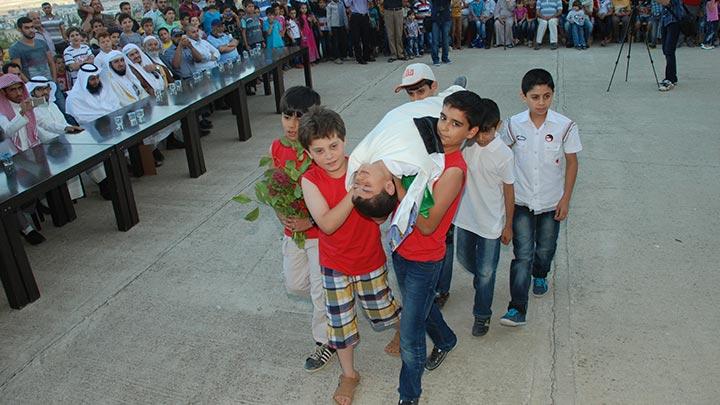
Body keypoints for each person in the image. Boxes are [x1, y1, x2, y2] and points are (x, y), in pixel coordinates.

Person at [380, 91, 480, 405]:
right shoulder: (425, 149)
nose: (444, 128)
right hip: (400, 248)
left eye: (455, 124)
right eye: (443, 118)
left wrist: (398, 185)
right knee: (419, 306)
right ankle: (447, 339)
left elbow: (426, 224)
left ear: (471, 132)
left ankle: (409, 396)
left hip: (425, 258)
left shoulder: (453, 170)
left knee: (410, 337)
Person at [300, 106, 401, 405]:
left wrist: (377, 198)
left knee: (382, 310)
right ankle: (349, 374)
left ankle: (402, 330)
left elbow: (381, 216)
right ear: (308, 153)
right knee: (340, 324)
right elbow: (327, 224)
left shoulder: (363, 168)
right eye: (319, 150)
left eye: (334, 146)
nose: (329, 155)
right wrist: (354, 192)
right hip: (334, 266)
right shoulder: (311, 181)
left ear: (345, 141)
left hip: (369, 259)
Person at [497, 68, 581, 326]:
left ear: (553, 94)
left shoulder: (565, 126)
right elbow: (500, 153)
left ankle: (541, 273)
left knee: (545, 249)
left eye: (546, 96)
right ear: (523, 97)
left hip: (550, 202)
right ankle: (517, 308)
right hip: (521, 201)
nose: (541, 103)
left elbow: (572, 162)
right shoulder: (513, 125)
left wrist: (565, 198)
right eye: (535, 97)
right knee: (522, 254)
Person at [268, 86, 333, 373]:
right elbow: (275, 185)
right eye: (287, 116)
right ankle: (336, 301)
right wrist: (280, 211)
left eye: (300, 117)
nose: (293, 125)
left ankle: (325, 341)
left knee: (320, 293)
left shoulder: (323, 151)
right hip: (293, 232)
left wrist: (313, 221)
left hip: (319, 235)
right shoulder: (277, 147)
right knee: (295, 284)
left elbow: (337, 197)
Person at [453, 97, 515, 337]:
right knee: (466, 259)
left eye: (487, 131)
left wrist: (508, 225)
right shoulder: (466, 144)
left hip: (491, 224)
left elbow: (509, 191)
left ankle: (482, 315)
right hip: (466, 218)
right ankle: (482, 282)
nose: (482, 137)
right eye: (478, 131)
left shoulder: (503, 155)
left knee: (487, 272)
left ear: (497, 126)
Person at [25, 76, 98, 201]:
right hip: (48, 148)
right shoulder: (32, 111)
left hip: (64, 142)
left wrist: (71, 130)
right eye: (40, 90)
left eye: (46, 88)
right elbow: (44, 132)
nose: (45, 92)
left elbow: (64, 125)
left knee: (91, 150)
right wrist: (66, 131)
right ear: (32, 92)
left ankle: (104, 183)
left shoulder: (53, 105)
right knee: (68, 157)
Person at [0, 73, 47, 245]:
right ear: (4, 93)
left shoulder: (26, 104)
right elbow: (7, 132)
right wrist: (22, 113)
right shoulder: (1, 110)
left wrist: (66, 128)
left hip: (28, 154)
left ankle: (31, 208)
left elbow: (41, 123)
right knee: (9, 195)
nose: (18, 93)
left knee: (44, 176)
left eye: (20, 88)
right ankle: (26, 228)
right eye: (13, 90)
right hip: (8, 159)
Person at [9, 17, 57, 82]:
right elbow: (18, 71)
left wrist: (54, 80)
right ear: (19, 29)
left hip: (49, 82)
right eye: (27, 28)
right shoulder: (15, 48)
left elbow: (51, 63)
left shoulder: (42, 43)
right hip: (33, 85)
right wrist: (30, 84)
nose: (31, 30)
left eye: (32, 27)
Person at [657, 0, 683, 91]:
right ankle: (673, 77)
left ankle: (669, 79)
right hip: (665, 20)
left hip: (673, 21)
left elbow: (666, 2)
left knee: (669, 50)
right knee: (665, 50)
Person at [430, 0, 452, 65]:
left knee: (445, 39)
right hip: (435, 18)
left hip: (446, 17)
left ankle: (445, 57)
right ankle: (435, 59)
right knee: (435, 40)